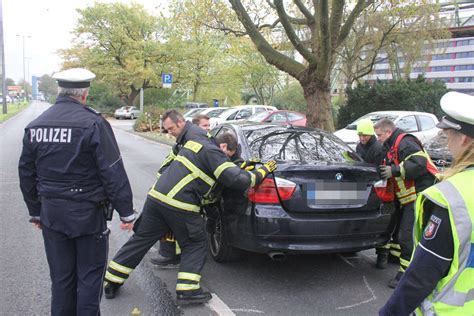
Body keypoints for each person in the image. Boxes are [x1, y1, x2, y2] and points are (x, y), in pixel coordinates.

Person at [104, 109, 277, 305]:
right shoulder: (213, 152)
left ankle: (111, 280)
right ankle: (188, 290)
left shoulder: (194, 143)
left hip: (156, 198)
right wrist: (263, 170)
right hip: (180, 204)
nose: (230, 155)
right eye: (230, 152)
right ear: (222, 145)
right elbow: (239, 179)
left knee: (140, 240)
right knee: (196, 242)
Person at [18, 68, 136, 316]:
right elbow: (112, 171)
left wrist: (36, 212)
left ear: (60, 91)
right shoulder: (93, 123)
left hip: (52, 214)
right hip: (86, 215)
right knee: (89, 281)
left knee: (61, 281)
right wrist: (126, 213)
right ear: (84, 95)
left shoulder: (36, 126)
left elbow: (26, 173)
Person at [380, 91, 474, 315]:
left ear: (463, 138)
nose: (445, 141)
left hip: (449, 310)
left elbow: (422, 274)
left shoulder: (452, 196)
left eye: (448, 134)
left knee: (404, 237)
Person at [374, 118, 438, 288]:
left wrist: (393, 170)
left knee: (407, 234)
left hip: (420, 195)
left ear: (388, 132)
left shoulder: (405, 143)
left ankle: (405, 274)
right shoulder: (390, 145)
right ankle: (397, 259)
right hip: (407, 197)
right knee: (400, 232)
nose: (378, 138)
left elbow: (419, 165)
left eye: (379, 135)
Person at [151, 113, 212, 268]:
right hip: (178, 191)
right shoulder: (184, 144)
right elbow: (165, 167)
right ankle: (170, 254)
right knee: (172, 225)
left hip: (189, 192)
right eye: (204, 126)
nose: (208, 129)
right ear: (195, 126)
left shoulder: (204, 141)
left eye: (208, 125)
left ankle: (176, 255)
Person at [356, 118, 389, 269]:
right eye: (360, 135)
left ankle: (382, 255)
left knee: (380, 224)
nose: (362, 138)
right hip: (361, 186)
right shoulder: (359, 146)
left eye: (365, 135)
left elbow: (379, 171)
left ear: (371, 134)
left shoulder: (377, 148)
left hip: (375, 187)